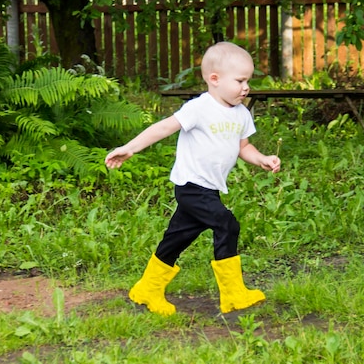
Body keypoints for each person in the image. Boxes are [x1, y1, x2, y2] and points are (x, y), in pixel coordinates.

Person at [105, 42, 281, 316]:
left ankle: (147, 290)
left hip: (210, 190)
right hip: (191, 186)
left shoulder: (242, 113)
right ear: (215, 79)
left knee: (177, 239)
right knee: (227, 224)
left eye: (248, 80)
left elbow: (244, 147)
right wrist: (131, 147)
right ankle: (233, 295)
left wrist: (263, 159)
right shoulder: (199, 108)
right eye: (240, 80)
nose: (246, 87)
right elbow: (164, 127)